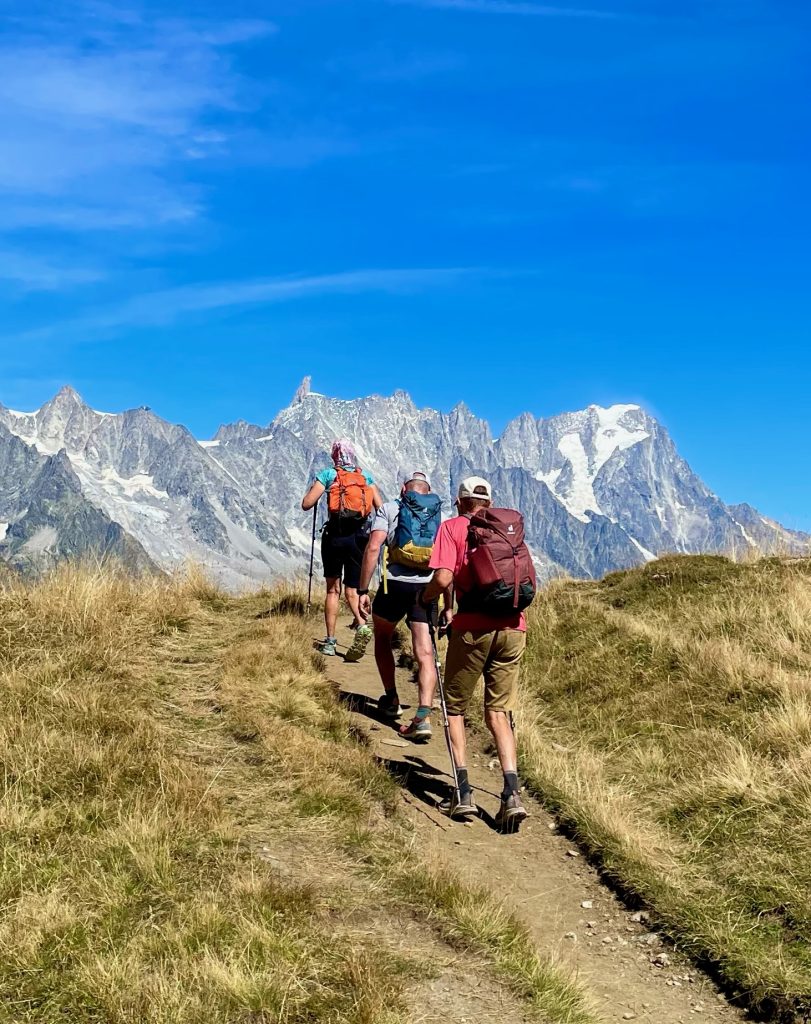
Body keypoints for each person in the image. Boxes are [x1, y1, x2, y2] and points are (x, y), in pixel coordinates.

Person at [419, 476, 530, 828]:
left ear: (459, 502)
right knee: (498, 711)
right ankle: (511, 794)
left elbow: (442, 578)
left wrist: (425, 600)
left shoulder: (453, 527)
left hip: (472, 629)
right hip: (514, 628)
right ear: (489, 503)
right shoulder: (507, 531)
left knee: (454, 708)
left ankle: (462, 792)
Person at [357, 471, 444, 738]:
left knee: (383, 636)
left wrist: (362, 589)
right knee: (425, 653)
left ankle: (391, 699)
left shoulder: (390, 508)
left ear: (403, 489)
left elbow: (374, 548)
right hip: (426, 588)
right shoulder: (438, 514)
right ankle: (423, 717)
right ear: (428, 491)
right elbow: (445, 562)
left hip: (394, 584)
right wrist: (448, 603)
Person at [301, 439, 382, 658]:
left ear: (334, 455)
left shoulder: (328, 474)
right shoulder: (365, 477)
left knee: (332, 590)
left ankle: (330, 642)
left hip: (335, 538)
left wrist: (319, 489)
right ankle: (362, 625)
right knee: (352, 590)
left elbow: (307, 504)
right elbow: (380, 508)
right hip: (359, 539)